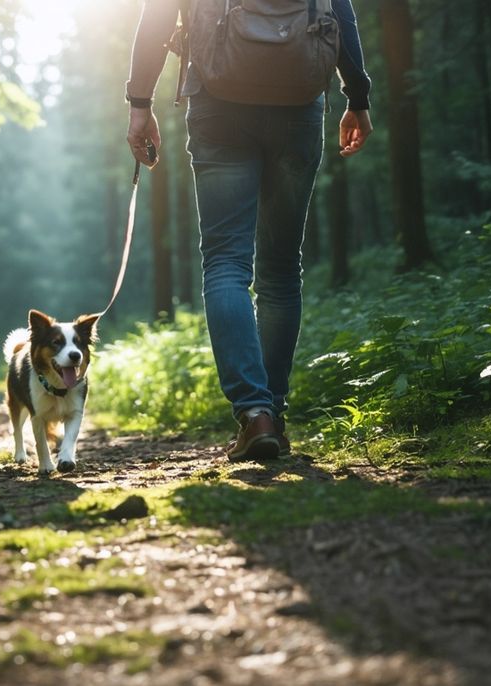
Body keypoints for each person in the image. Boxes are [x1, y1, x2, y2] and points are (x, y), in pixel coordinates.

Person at [125, 0, 373, 460]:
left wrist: (140, 103)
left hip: (219, 103)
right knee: (280, 268)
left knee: (225, 264)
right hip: (299, 100)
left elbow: (157, 15)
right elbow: (341, 11)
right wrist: (356, 97)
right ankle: (273, 416)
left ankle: (253, 412)